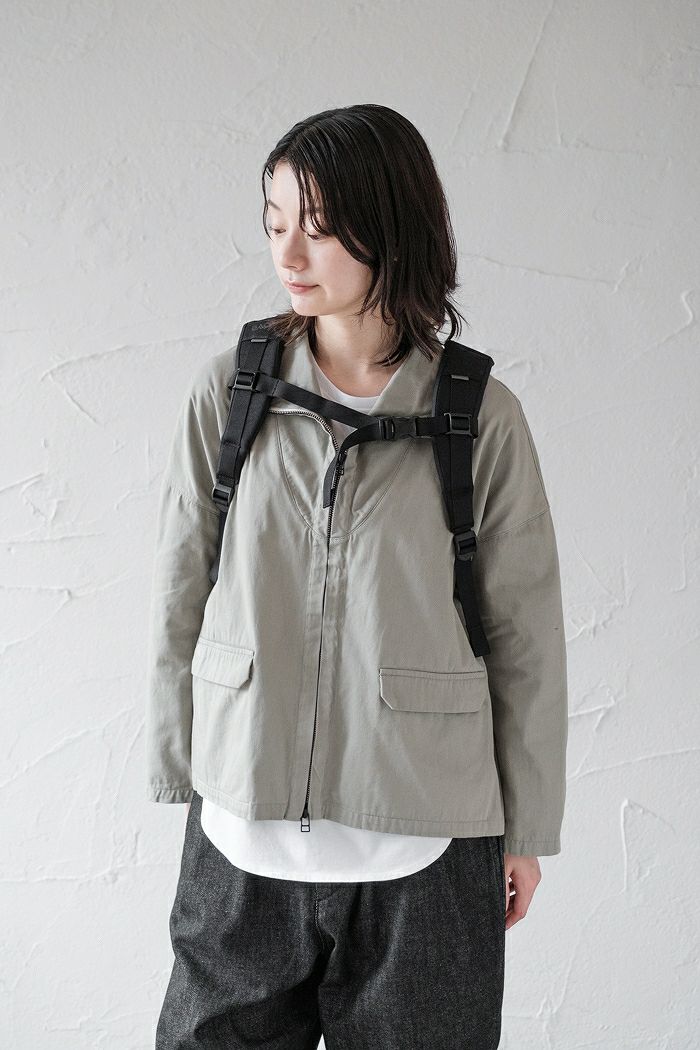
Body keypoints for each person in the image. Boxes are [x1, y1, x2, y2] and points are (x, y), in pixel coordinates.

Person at [146, 104, 568, 1049]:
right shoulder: (231, 393)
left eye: (321, 226)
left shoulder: (478, 415)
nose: (289, 253)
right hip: (241, 833)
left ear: (392, 225)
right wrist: (183, 768)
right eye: (275, 222)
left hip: (425, 840)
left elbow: (525, 631)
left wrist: (526, 830)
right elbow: (182, 589)